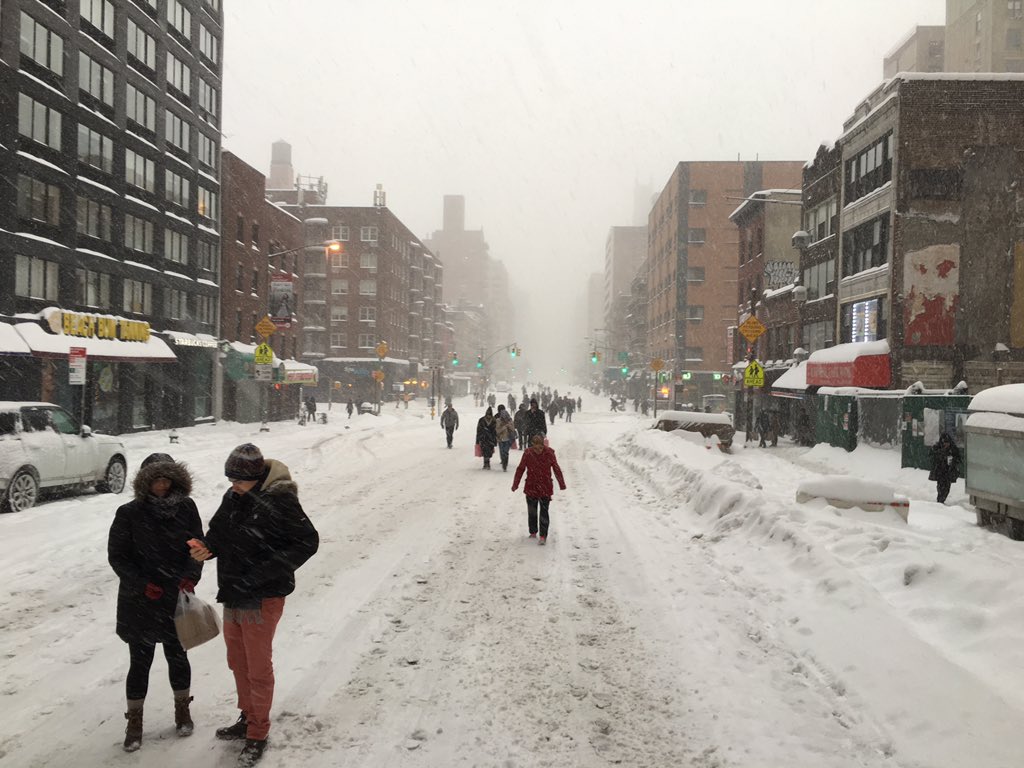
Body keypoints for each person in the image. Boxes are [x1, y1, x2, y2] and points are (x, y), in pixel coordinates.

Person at [187, 444, 319, 768]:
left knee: (257, 666)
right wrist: (207, 548)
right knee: (238, 660)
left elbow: (308, 541)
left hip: (263, 595)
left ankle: (258, 733)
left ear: (256, 478)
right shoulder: (233, 498)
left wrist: (266, 570)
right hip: (233, 590)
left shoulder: (280, 501)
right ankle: (247, 717)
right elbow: (218, 533)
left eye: (238, 480)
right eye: (230, 478)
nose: (232, 484)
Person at [108, 453, 204, 753]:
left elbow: (197, 546)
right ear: (145, 482)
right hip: (140, 601)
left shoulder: (186, 508)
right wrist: (140, 584)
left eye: (167, 479)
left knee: (178, 657)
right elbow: (118, 556)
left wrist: (191, 576)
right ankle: (134, 722)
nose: (162, 485)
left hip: (176, 596)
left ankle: (182, 710)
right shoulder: (129, 513)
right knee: (140, 662)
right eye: (156, 479)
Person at [511, 434, 567, 545]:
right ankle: (533, 531)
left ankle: (543, 535)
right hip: (531, 486)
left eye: (540, 447)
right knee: (532, 511)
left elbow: (556, 468)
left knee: (544, 512)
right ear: (532, 445)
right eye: (536, 447)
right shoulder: (528, 453)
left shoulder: (549, 453)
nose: (538, 450)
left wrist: (562, 483)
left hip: (545, 487)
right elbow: (520, 469)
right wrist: (515, 484)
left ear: (543, 444)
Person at [929, 432, 961, 503]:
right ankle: (940, 500)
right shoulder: (937, 448)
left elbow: (958, 459)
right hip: (940, 472)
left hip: (948, 472)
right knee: (940, 487)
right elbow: (932, 456)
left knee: (947, 488)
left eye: (947, 443)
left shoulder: (953, 449)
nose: (946, 445)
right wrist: (940, 455)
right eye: (944, 443)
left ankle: (941, 499)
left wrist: (953, 461)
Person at [495, 404, 516, 471]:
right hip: (500, 439)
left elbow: (513, 429)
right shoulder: (498, 421)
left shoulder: (510, 421)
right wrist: (504, 427)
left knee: (506, 452)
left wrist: (508, 425)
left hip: (508, 439)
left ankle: (505, 464)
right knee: (502, 451)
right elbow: (497, 431)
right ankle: (503, 461)